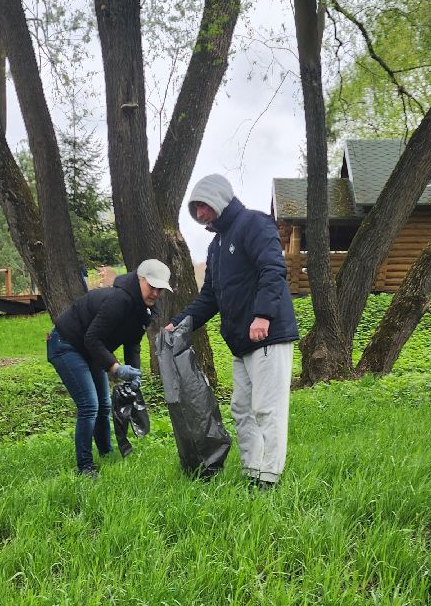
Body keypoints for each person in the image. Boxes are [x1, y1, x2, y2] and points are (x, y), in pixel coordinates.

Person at [167, 173, 299, 489]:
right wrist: (180, 322)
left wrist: (263, 315)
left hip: (268, 334)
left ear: (219, 198)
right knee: (242, 409)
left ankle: (269, 477)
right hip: (241, 341)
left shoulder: (255, 224)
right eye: (195, 209)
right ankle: (253, 471)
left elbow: (273, 269)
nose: (199, 215)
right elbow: (209, 296)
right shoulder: (216, 246)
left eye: (203, 206)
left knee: (267, 409)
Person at [47, 259, 169, 477]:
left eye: (160, 289)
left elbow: (132, 344)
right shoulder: (118, 300)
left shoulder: (145, 310)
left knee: (104, 405)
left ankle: (106, 453)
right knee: (89, 405)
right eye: (152, 286)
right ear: (140, 279)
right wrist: (116, 369)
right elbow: (92, 338)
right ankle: (85, 467)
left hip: (90, 351)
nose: (156, 293)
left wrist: (133, 373)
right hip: (66, 344)